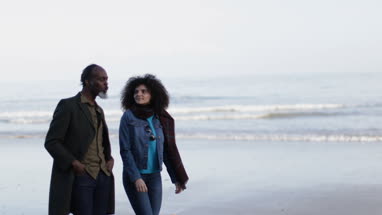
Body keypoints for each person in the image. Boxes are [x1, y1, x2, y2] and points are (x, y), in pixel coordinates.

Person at [45, 64, 115, 215]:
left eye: (106, 80)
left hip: (103, 176)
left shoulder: (99, 110)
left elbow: (100, 142)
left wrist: (109, 159)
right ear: (88, 81)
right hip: (82, 177)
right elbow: (52, 142)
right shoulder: (68, 106)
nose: (106, 83)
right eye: (101, 79)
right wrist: (73, 162)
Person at [119, 74, 189, 215]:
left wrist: (176, 179)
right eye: (136, 91)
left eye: (144, 91)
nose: (139, 94)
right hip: (136, 176)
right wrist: (136, 178)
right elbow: (125, 150)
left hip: (155, 176)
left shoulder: (160, 117)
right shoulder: (128, 116)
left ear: (153, 94)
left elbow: (166, 150)